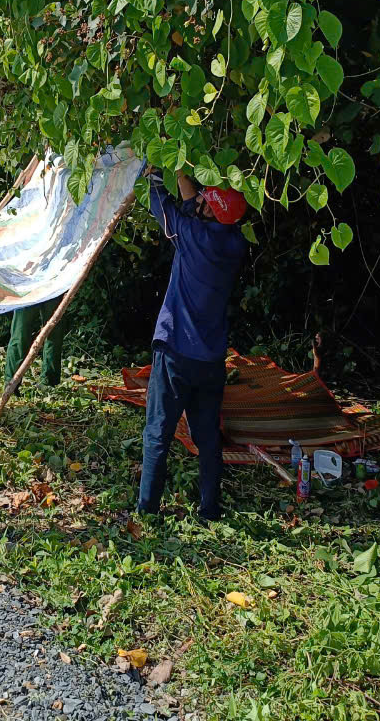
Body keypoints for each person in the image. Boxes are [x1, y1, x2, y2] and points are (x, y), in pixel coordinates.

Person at [137, 169, 248, 521]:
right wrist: (181, 167)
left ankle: (148, 512)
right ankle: (209, 510)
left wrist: (155, 175)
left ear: (211, 212)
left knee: (158, 433)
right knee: (208, 438)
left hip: (175, 353)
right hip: (211, 360)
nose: (198, 198)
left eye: (205, 200)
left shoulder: (193, 234)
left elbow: (163, 206)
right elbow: (190, 206)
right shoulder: (233, 243)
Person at [5, 297, 67, 386]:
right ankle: (11, 383)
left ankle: (49, 383)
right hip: (29, 287)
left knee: (54, 333)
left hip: (54, 286)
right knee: (20, 334)